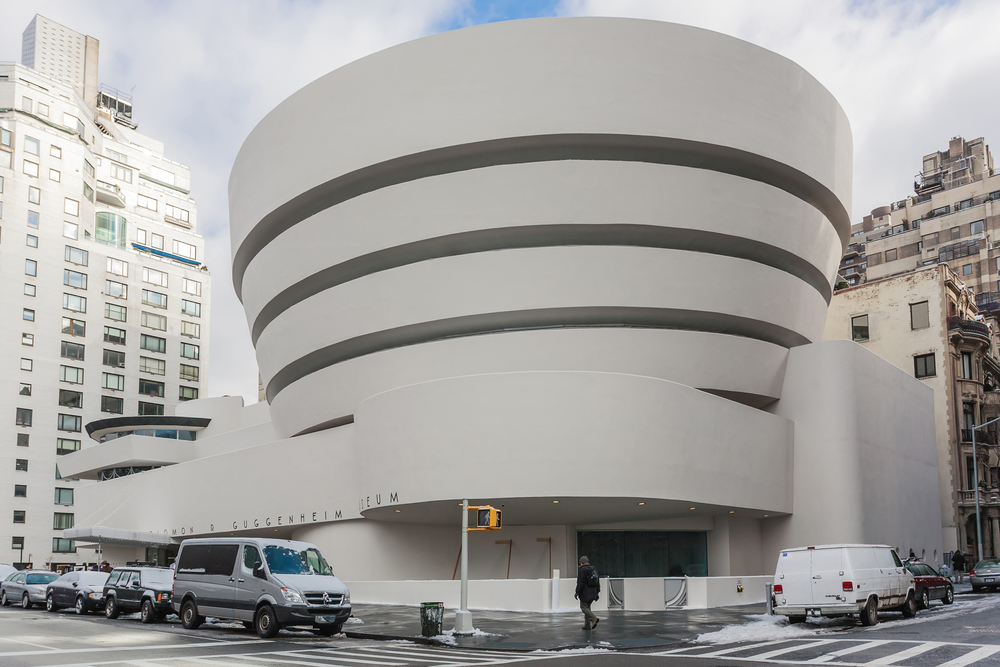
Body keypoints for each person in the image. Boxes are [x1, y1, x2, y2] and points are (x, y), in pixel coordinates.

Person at [574, 556, 601, 630]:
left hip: (585, 592)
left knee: (584, 608)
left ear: (581, 563)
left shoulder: (582, 570)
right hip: (593, 591)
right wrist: (597, 592)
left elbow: (580, 582)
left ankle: (594, 619)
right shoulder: (593, 569)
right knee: (588, 607)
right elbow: (597, 581)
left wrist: (577, 592)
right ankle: (587, 625)